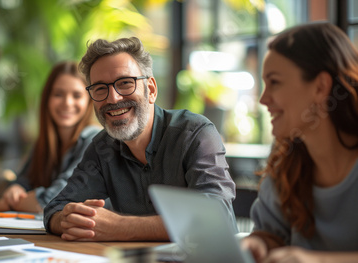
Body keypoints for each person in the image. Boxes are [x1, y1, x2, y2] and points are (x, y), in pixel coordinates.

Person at [44, 37, 236, 241]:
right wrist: (73, 221)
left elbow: (217, 217)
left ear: (151, 90)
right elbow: (55, 209)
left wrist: (120, 227)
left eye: (125, 83)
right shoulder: (102, 147)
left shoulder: (195, 133)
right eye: (100, 89)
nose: (113, 98)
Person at [241, 23, 358, 262]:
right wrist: (256, 244)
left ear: (320, 86)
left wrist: (315, 261)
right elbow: (272, 235)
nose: (264, 99)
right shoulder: (285, 158)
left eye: (274, 82)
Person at [0, 61, 100, 213]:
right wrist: (16, 189)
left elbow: (54, 199)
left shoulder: (95, 140)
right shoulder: (44, 142)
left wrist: (19, 201)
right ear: (47, 98)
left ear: (88, 101)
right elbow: (20, 183)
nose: (67, 103)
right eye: (58, 94)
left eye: (77, 95)